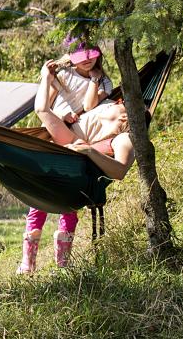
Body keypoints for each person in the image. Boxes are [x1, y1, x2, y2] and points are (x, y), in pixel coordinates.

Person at [19, 41, 115, 274]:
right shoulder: (63, 74)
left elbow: (91, 106)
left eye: (91, 55)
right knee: (41, 193)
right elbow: (47, 104)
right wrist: (63, 114)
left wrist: (94, 79)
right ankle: (28, 262)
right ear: (72, 56)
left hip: (77, 136)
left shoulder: (105, 82)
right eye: (81, 55)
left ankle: (63, 262)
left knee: (69, 194)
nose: (87, 59)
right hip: (54, 130)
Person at [17, 99, 136, 274]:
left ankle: (56, 265)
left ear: (123, 119)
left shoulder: (124, 138)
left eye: (114, 106)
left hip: (74, 183)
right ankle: (32, 264)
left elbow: (120, 171)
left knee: (54, 206)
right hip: (64, 176)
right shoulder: (98, 137)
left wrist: (88, 150)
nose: (103, 113)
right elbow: (42, 109)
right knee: (40, 205)